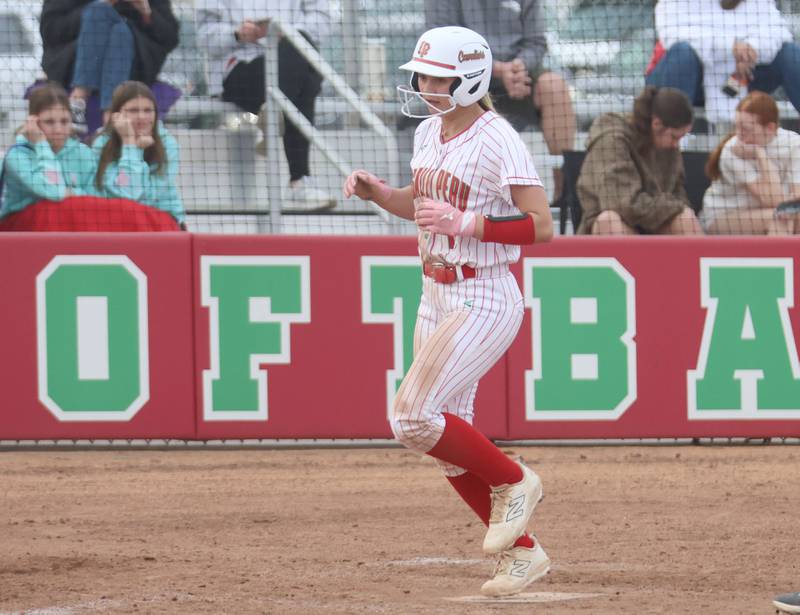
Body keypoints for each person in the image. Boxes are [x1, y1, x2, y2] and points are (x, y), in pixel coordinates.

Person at [343, 26, 553, 597]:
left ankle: (517, 479)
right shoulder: (429, 132)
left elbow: (543, 225)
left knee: (410, 417)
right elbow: (422, 200)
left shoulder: (497, 137)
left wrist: (470, 225)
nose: (425, 85)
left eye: (437, 77)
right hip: (434, 291)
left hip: (482, 290)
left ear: (471, 78)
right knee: (441, 442)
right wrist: (381, 194)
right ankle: (522, 555)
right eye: (423, 75)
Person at [425, 0, 577, 202]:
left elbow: (536, 43)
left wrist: (518, 67)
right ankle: (447, 191)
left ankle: (565, 195)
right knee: (439, 92)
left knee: (554, 86)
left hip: (519, 75)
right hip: (464, 76)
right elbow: (441, 44)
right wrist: (495, 69)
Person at [196, 0, 335, 211]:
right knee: (307, 77)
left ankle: (271, 115)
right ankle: (299, 179)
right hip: (240, 69)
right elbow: (204, 37)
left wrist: (283, 32)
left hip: (292, 57)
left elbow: (324, 19)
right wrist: (237, 33)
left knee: (301, 50)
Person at [645, 0, 800, 127]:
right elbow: (673, 35)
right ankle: (668, 140)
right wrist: (730, 46)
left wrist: (750, 51)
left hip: (738, 80)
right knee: (683, 54)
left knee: (790, 53)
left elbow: (780, 32)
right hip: (685, 82)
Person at [576, 86, 703, 235]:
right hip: (616, 223)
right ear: (657, 124)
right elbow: (620, 204)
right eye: (675, 137)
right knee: (609, 221)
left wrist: (676, 209)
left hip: (652, 221)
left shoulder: (668, 145)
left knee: (685, 219)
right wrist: (670, 207)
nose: (676, 144)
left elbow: (678, 196)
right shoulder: (612, 139)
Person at [40, 0, 180, 132]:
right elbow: (51, 30)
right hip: (73, 62)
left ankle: (79, 101)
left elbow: (170, 38)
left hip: (135, 66)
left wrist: (146, 12)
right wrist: (103, 5)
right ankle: (108, 114)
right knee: (99, 11)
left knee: (121, 31)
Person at [703, 91, 800, 235]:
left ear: (770, 128)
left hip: (767, 211)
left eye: (746, 129)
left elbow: (796, 195)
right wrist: (759, 154)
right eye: (736, 127)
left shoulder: (793, 144)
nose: (739, 134)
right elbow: (773, 200)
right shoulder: (731, 150)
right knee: (780, 217)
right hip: (723, 216)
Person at [0, 83, 96, 222]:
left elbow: (95, 196)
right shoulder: (18, 156)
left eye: (64, 121)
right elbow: (55, 191)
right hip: (21, 228)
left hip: (71, 225)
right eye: (49, 122)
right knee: (52, 208)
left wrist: (70, 195)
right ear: (33, 122)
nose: (58, 129)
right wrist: (41, 144)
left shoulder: (84, 153)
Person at [92, 80, 184, 225]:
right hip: (118, 220)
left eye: (148, 110)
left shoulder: (167, 143)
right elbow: (125, 195)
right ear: (117, 114)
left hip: (162, 217)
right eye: (133, 110)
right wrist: (131, 145)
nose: (142, 116)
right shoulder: (101, 144)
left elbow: (132, 195)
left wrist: (122, 192)